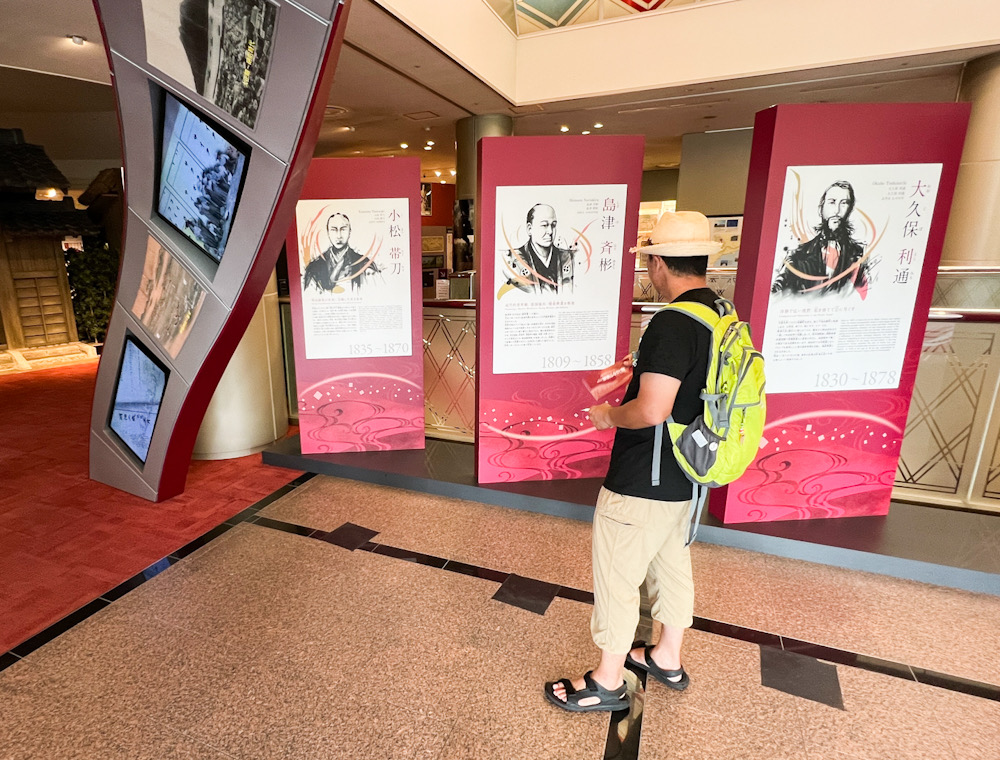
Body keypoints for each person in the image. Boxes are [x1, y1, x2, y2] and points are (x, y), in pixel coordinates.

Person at [544, 210, 720, 713]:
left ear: (661, 262)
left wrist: (606, 415)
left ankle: (606, 680)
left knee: (618, 577)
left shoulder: (672, 321)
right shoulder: (720, 313)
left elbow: (651, 409)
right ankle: (667, 656)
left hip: (645, 477)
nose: (649, 271)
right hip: (689, 473)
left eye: (650, 262)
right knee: (671, 566)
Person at [771, 180, 869, 296]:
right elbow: (776, 292)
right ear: (821, 209)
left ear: (850, 209)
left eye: (844, 203)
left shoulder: (861, 254)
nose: (837, 211)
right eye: (832, 202)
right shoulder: (798, 256)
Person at [502, 203, 576, 295]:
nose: (550, 231)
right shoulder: (513, 259)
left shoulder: (568, 258)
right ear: (529, 229)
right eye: (544, 225)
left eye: (553, 225)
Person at [303, 212, 377, 293]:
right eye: (334, 230)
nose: (339, 236)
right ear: (328, 232)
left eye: (343, 229)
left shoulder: (364, 264)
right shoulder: (315, 267)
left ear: (350, 232)